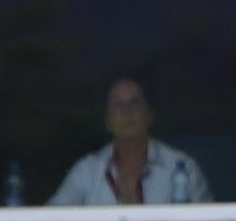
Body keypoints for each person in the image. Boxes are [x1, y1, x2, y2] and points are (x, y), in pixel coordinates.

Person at [48, 77, 213, 206]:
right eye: (118, 105)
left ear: (149, 115)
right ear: (107, 120)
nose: (127, 112)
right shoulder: (87, 171)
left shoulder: (182, 167)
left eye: (135, 103)